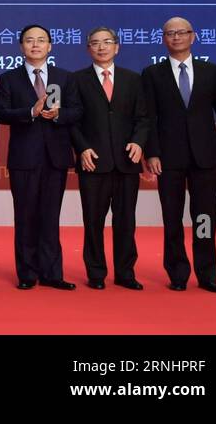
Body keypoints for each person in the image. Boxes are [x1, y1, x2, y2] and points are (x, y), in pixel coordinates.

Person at [141, 16, 216, 293]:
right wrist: (152, 153)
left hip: (205, 156)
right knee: (172, 217)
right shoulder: (152, 74)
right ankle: (178, 273)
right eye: (170, 33)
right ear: (163, 39)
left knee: (204, 217)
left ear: (193, 36)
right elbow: (149, 117)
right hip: (168, 158)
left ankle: (207, 273)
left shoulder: (212, 71)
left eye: (182, 33)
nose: (176, 37)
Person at [0, 23, 83, 290]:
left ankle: (52, 273)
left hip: (55, 158)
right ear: (22, 46)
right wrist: (30, 113)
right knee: (25, 216)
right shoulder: (9, 79)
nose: (35, 45)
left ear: (50, 45)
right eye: (30, 40)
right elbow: (0, 113)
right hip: (24, 159)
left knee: (50, 216)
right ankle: (27, 274)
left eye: (41, 40)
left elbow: (78, 110)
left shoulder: (65, 77)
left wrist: (59, 115)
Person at [69, 27, 151, 290]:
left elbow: (144, 118)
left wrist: (139, 142)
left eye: (107, 42)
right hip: (92, 161)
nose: (101, 47)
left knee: (126, 220)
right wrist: (81, 148)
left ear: (117, 47)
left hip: (127, 162)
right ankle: (96, 273)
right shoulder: (76, 80)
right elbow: (72, 122)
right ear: (88, 49)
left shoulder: (133, 79)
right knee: (93, 220)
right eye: (95, 43)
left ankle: (126, 272)